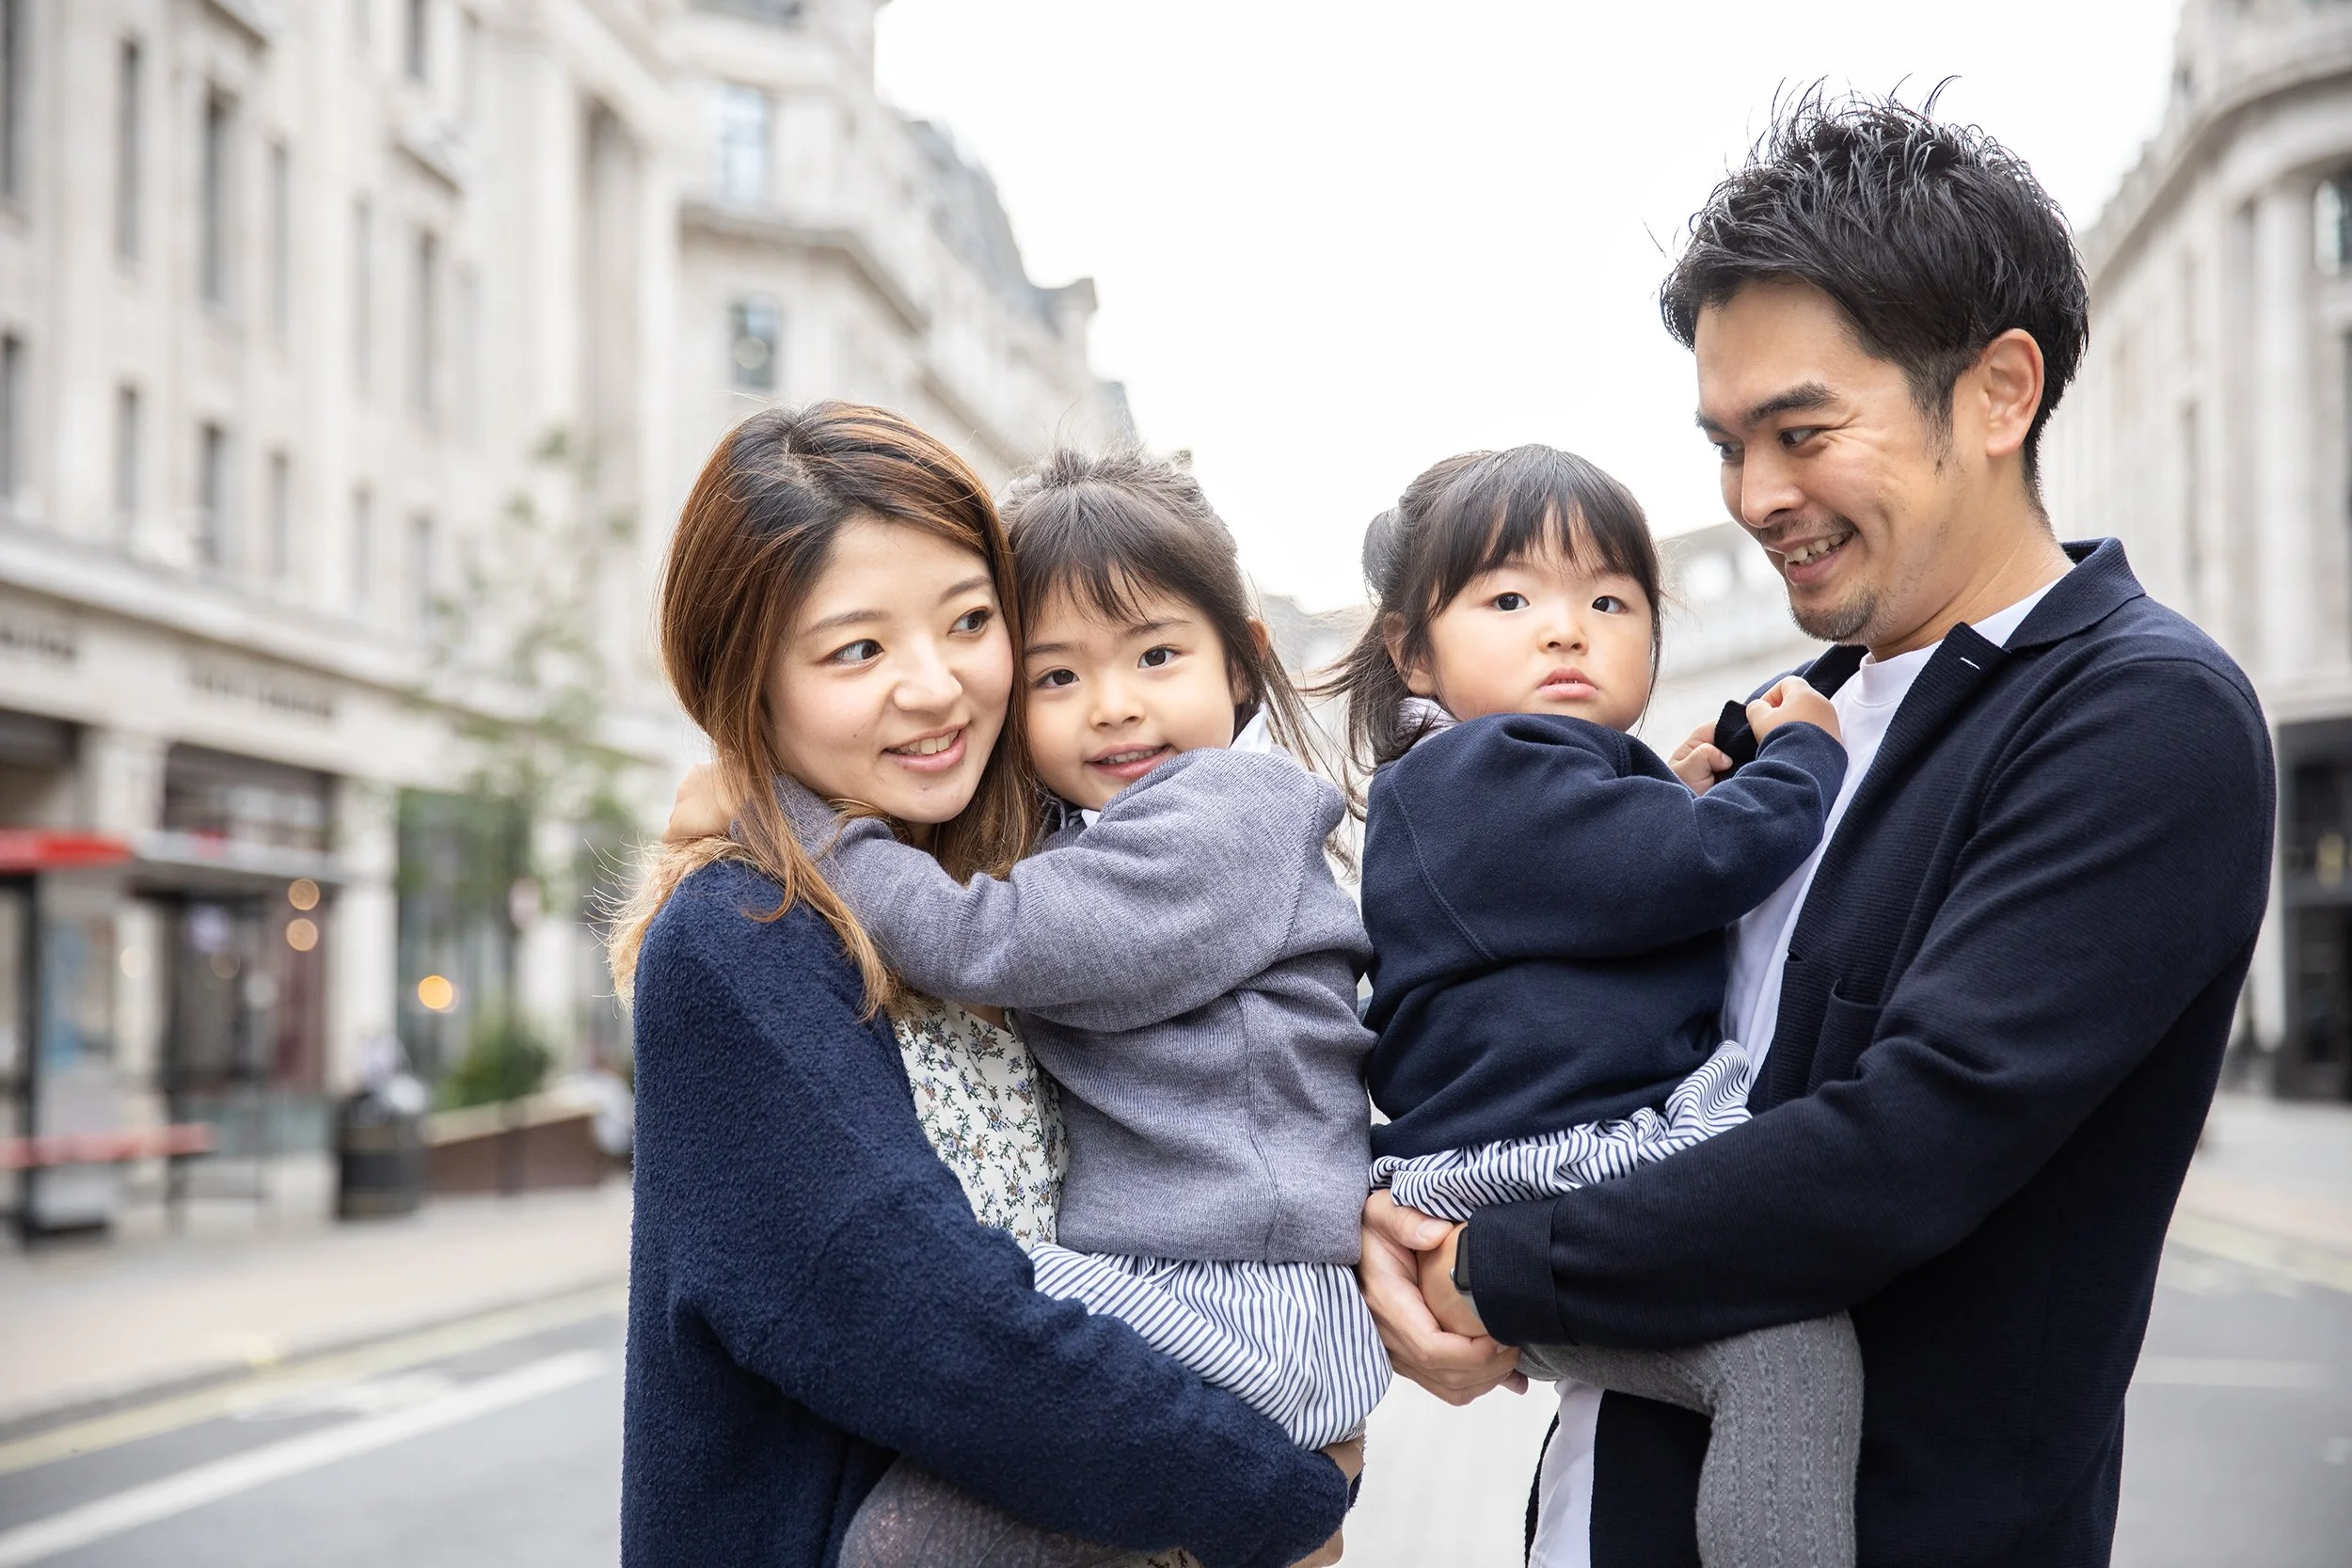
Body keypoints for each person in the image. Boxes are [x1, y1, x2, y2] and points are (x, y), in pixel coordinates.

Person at [1359, 95, 2276, 1567]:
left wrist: (1491, 1266)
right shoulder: (1788, 722)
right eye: (1727, 443)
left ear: (1997, 392)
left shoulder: (2142, 717)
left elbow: (1897, 1149)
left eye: (1802, 431)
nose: (1755, 495)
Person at [612, 403, 1355, 1568]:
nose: (936, 686)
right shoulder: (739, 933)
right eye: (857, 649)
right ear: (745, 683)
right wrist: (1270, 1500)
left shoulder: (1004, 880)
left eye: (969, 622)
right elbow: (920, 1314)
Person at [1322, 442, 1861, 1567]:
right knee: (1790, 1354)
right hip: (1550, 1166)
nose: (1566, 628)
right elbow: (1693, 865)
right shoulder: (1478, 772)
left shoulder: (1494, 779)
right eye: (1510, 597)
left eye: (1608, 598)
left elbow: (1615, 882)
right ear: (1410, 648)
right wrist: (1801, 755)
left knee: (1760, 1361)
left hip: (1525, 1168)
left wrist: (1668, 786)